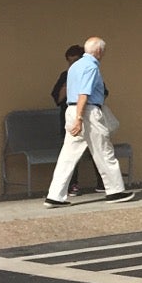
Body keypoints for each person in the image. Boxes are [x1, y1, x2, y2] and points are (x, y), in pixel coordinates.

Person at [44, 37, 133, 205]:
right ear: (99, 51)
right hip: (87, 112)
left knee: (68, 156)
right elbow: (83, 93)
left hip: (71, 110)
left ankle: (54, 195)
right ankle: (115, 191)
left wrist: (75, 117)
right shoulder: (91, 67)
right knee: (104, 152)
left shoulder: (74, 67)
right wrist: (79, 118)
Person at [50, 45, 95, 197]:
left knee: (97, 149)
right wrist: (68, 83)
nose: (73, 65)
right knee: (70, 152)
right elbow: (58, 98)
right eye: (70, 62)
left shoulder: (90, 73)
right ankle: (72, 185)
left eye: (76, 61)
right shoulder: (65, 75)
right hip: (69, 118)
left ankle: (103, 183)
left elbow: (100, 95)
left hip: (89, 117)